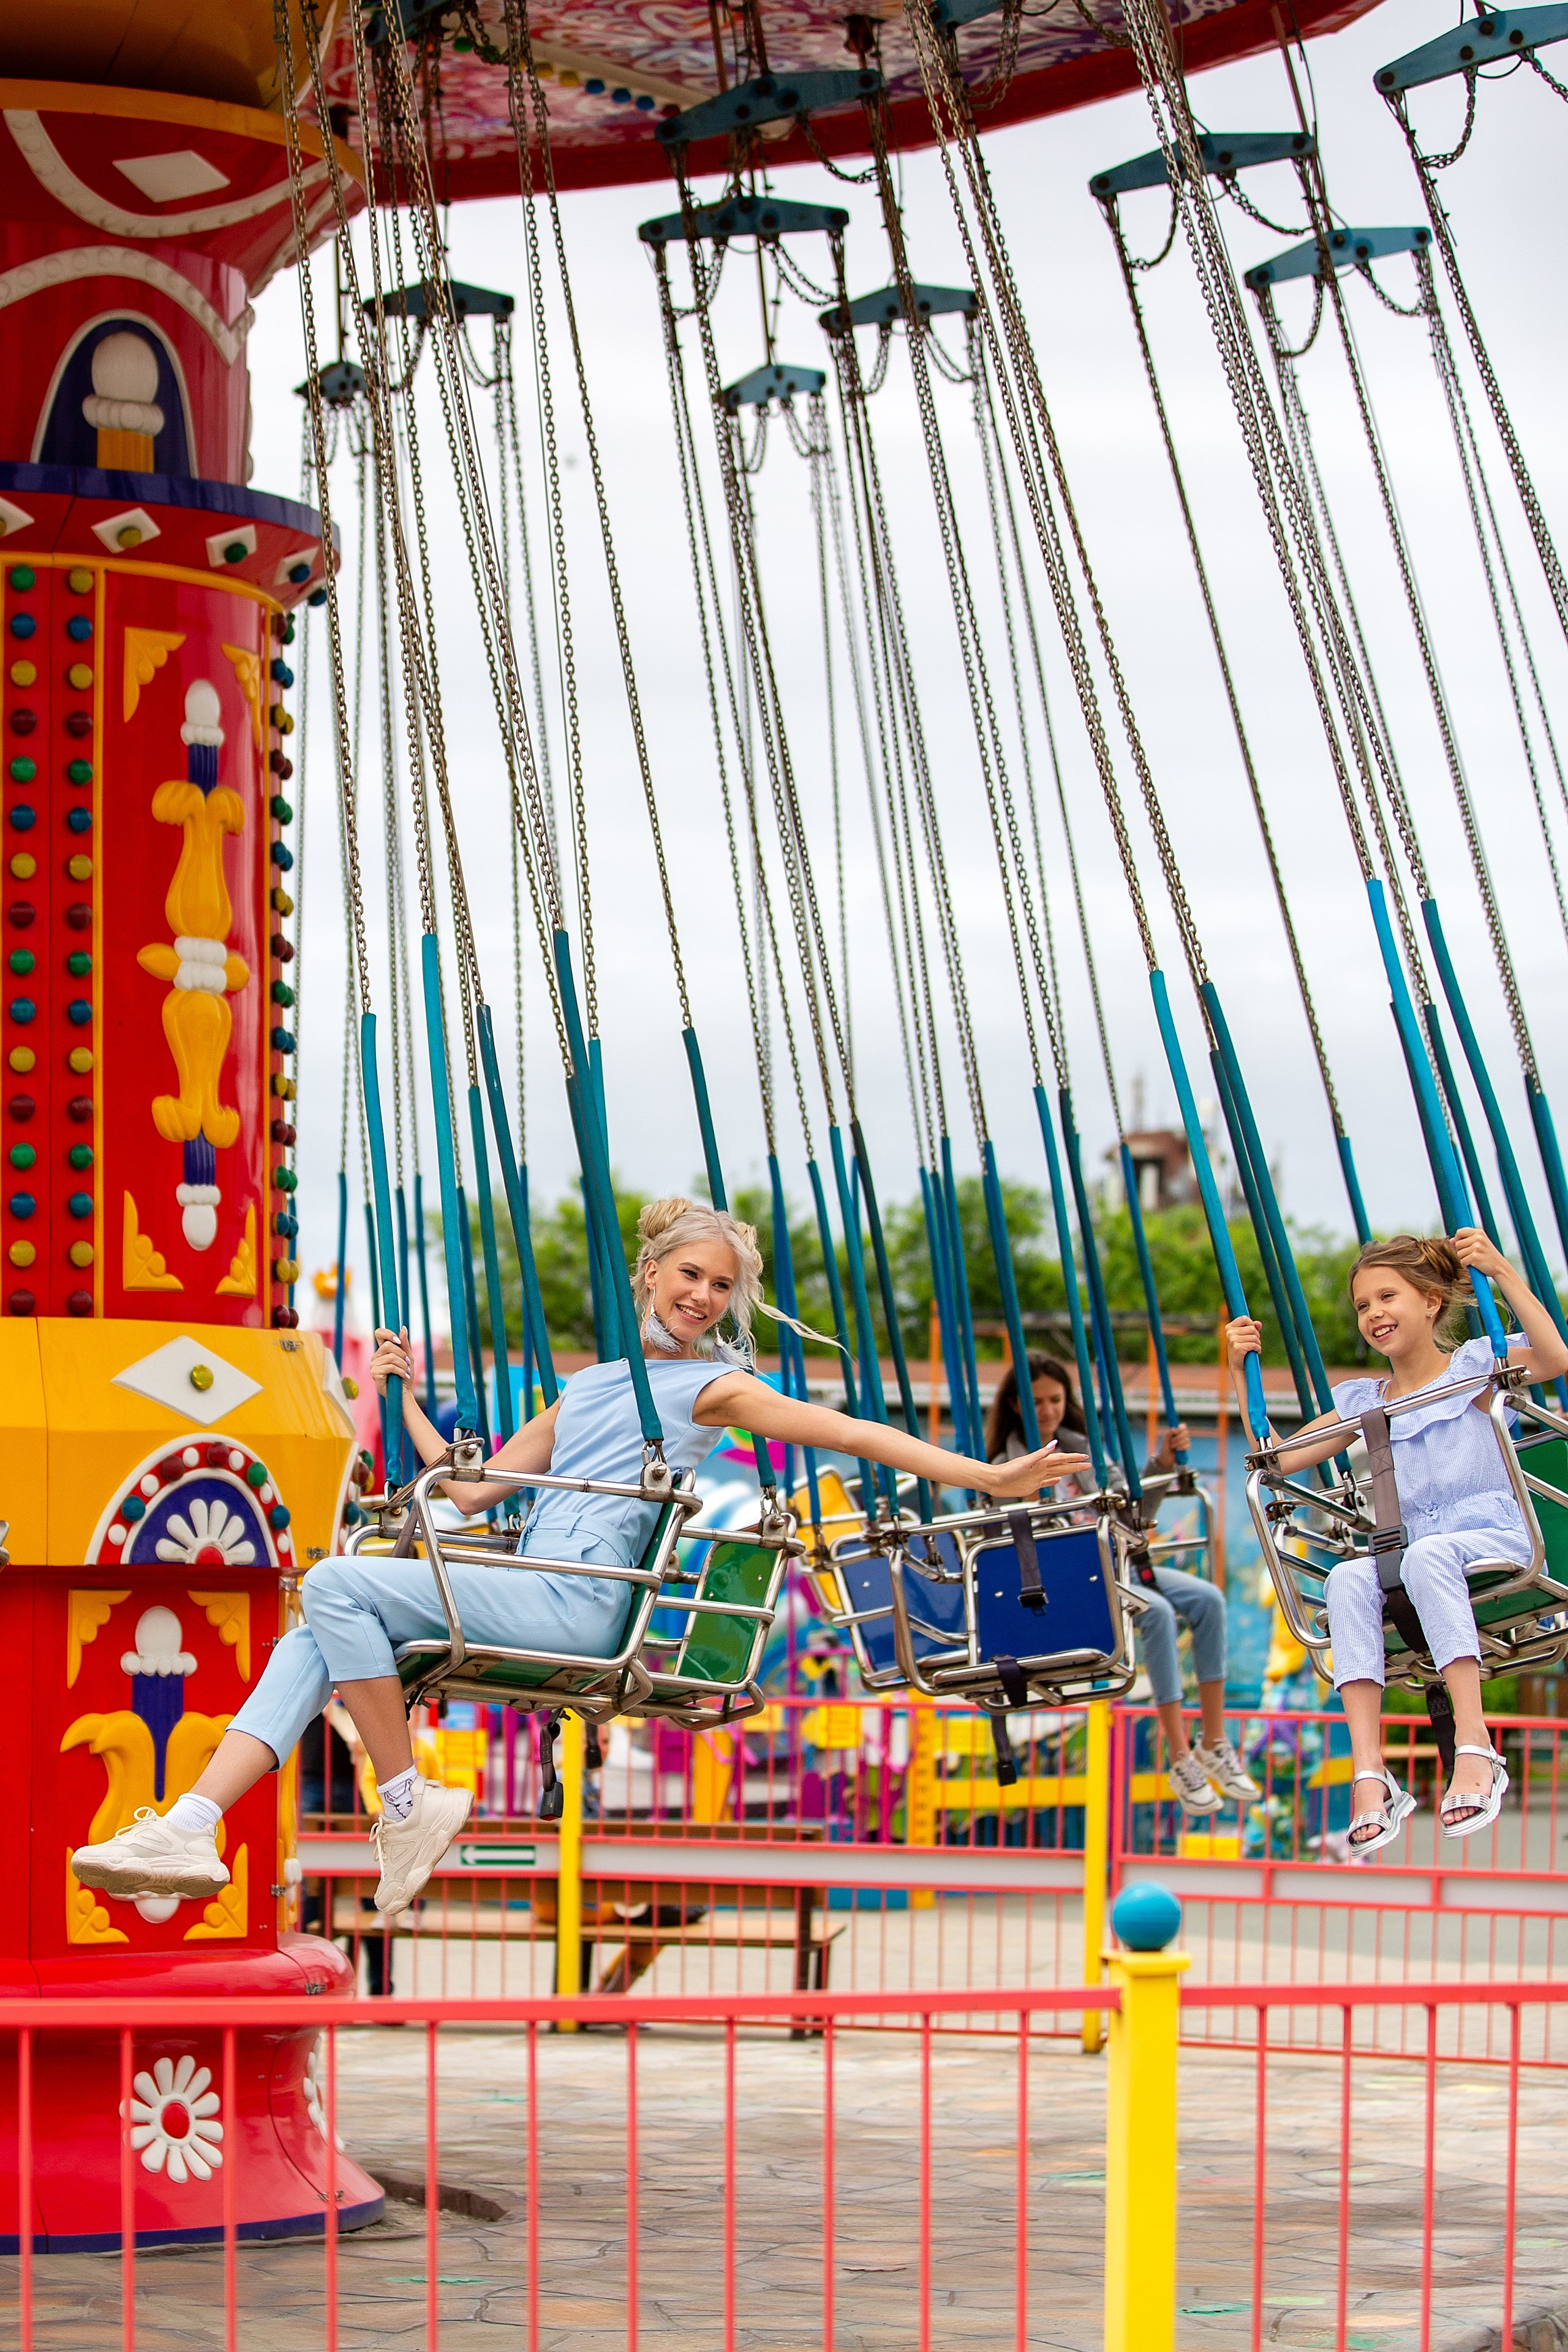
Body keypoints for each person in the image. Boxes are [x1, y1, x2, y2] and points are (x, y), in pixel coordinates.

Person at [74, 1199, 1089, 1915]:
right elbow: (474, 1491)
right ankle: (198, 1820)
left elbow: (851, 1431)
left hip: (582, 1604)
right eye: (689, 1274)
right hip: (527, 1585)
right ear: (649, 1274)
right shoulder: (593, 1384)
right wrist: (405, 1398)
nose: (701, 1294)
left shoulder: (708, 1387)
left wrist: (984, 1477)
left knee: (340, 1583)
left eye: (721, 1285)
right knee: (315, 1633)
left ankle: (404, 1801)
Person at [1225, 1227, 1567, 1853]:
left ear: (1432, 1301)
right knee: (1350, 1576)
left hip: (1491, 1537)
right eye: (1362, 1306)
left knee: (1426, 1555)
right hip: (1418, 1561)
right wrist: (1237, 1371)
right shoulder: (1363, 1401)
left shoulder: (1474, 1367)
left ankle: (1475, 1743)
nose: (1373, 1314)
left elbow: (1552, 1357)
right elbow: (1274, 1461)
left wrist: (1502, 1274)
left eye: (1387, 1297)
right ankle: (1369, 1771)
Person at [987, 1352, 1256, 1814]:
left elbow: (1134, 1513)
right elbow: (1000, 1538)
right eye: (1037, 1403)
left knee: (1209, 1599)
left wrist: (1162, 1464)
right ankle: (1179, 1756)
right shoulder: (1003, 1465)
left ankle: (1213, 1739)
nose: (1049, 1411)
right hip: (1066, 1581)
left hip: (1117, 1564)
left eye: (1056, 1400)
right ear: (1015, 1406)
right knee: (1158, 1613)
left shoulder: (1082, 1449)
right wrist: (1026, 1495)